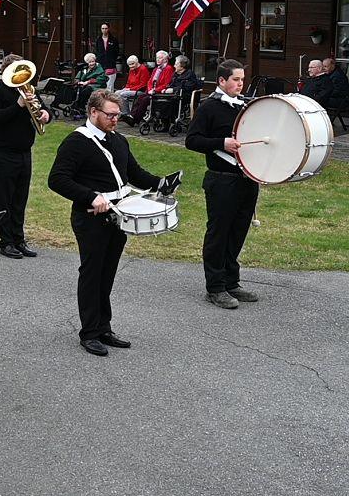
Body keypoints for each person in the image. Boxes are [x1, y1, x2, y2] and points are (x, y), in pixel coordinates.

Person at [48, 90, 174, 356]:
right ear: (93, 112)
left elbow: (133, 173)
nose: (115, 120)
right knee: (92, 274)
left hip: (119, 216)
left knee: (107, 273)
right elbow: (57, 179)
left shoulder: (118, 140)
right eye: (110, 115)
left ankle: (103, 326)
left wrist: (161, 184)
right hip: (90, 218)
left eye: (118, 115)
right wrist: (91, 197)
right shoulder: (76, 142)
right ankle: (89, 332)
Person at [186, 59, 260, 310]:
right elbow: (192, 141)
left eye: (242, 79)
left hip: (247, 179)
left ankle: (231, 281)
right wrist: (221, 143)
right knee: (219, 234)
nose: (241, 84)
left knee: (238, 231)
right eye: (236, 80)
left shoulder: (246, 106)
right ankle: (215, 287)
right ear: (221, 81)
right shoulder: (209, 107)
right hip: (221, 181)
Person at [0, 53, 49, 260]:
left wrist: (45, 115)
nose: (20, 76)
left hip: (24, 153)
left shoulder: (28, 89)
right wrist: (18, 105)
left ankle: (19, 239)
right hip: (3, 153)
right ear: (5, 72)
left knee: (20, 199)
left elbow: (43, 110)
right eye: (16, 71)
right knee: (5, 198)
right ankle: (6, 242)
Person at [124, 51, 175, 126]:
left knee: (145, 100)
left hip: (160, 92)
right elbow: (150, 81)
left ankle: (135, 119)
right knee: (140, 98)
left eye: (160, 58)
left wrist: (155, 90)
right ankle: (132, 117)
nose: (158, 59)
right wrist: (150, 89)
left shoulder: (168, 68)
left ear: (165, 60)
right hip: (152, 91)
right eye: (157, 58)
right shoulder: (156, 69)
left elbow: (166, 84)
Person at [95, 23, 121, 91]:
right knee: (100, 86)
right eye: (102, 28)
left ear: (108, 29)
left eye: (106, 28)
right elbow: (97, 51)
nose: (104, 30)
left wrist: (112, 59)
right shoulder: (98, 40)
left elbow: (116, 51)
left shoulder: (113, 39)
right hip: (101, 64)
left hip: (110, 65)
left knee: (109, 86)